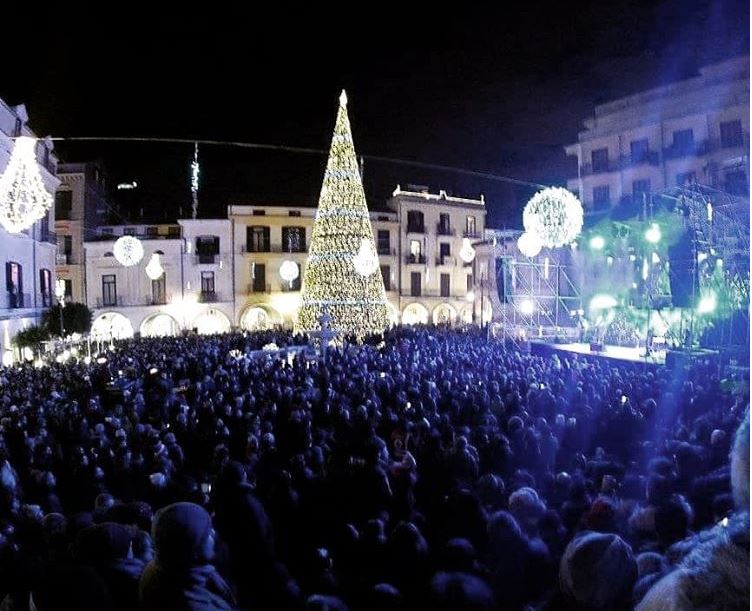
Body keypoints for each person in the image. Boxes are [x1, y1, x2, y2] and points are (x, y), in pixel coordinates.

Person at [139, 502, 237, 611]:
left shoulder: (161, 567)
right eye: (207, 532)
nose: (213, 533)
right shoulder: (191, 602)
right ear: (190, 545)